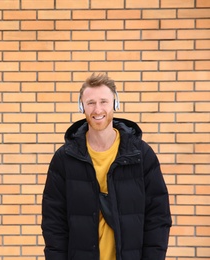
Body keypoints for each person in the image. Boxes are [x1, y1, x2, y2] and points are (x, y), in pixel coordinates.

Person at [41, 73, 172, 260]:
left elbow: (158, 217)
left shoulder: (141, 155)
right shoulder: (64, 159)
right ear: (81, 107)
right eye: (91, 103)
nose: (98, 109)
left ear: (115, 104)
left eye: (104, 101)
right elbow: (54, 223)